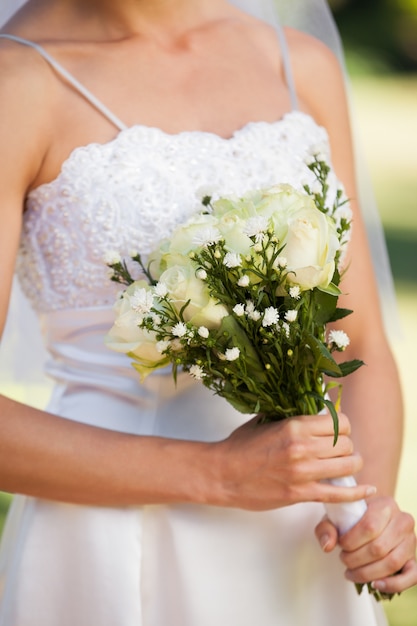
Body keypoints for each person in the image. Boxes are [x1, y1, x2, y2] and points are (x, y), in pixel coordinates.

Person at [0, 0, 416, 624]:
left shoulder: (300, 64)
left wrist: (369, 510)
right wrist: (220, 475)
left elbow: (360, 343)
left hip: (299, 538)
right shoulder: (16, 83)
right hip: (113, 533)